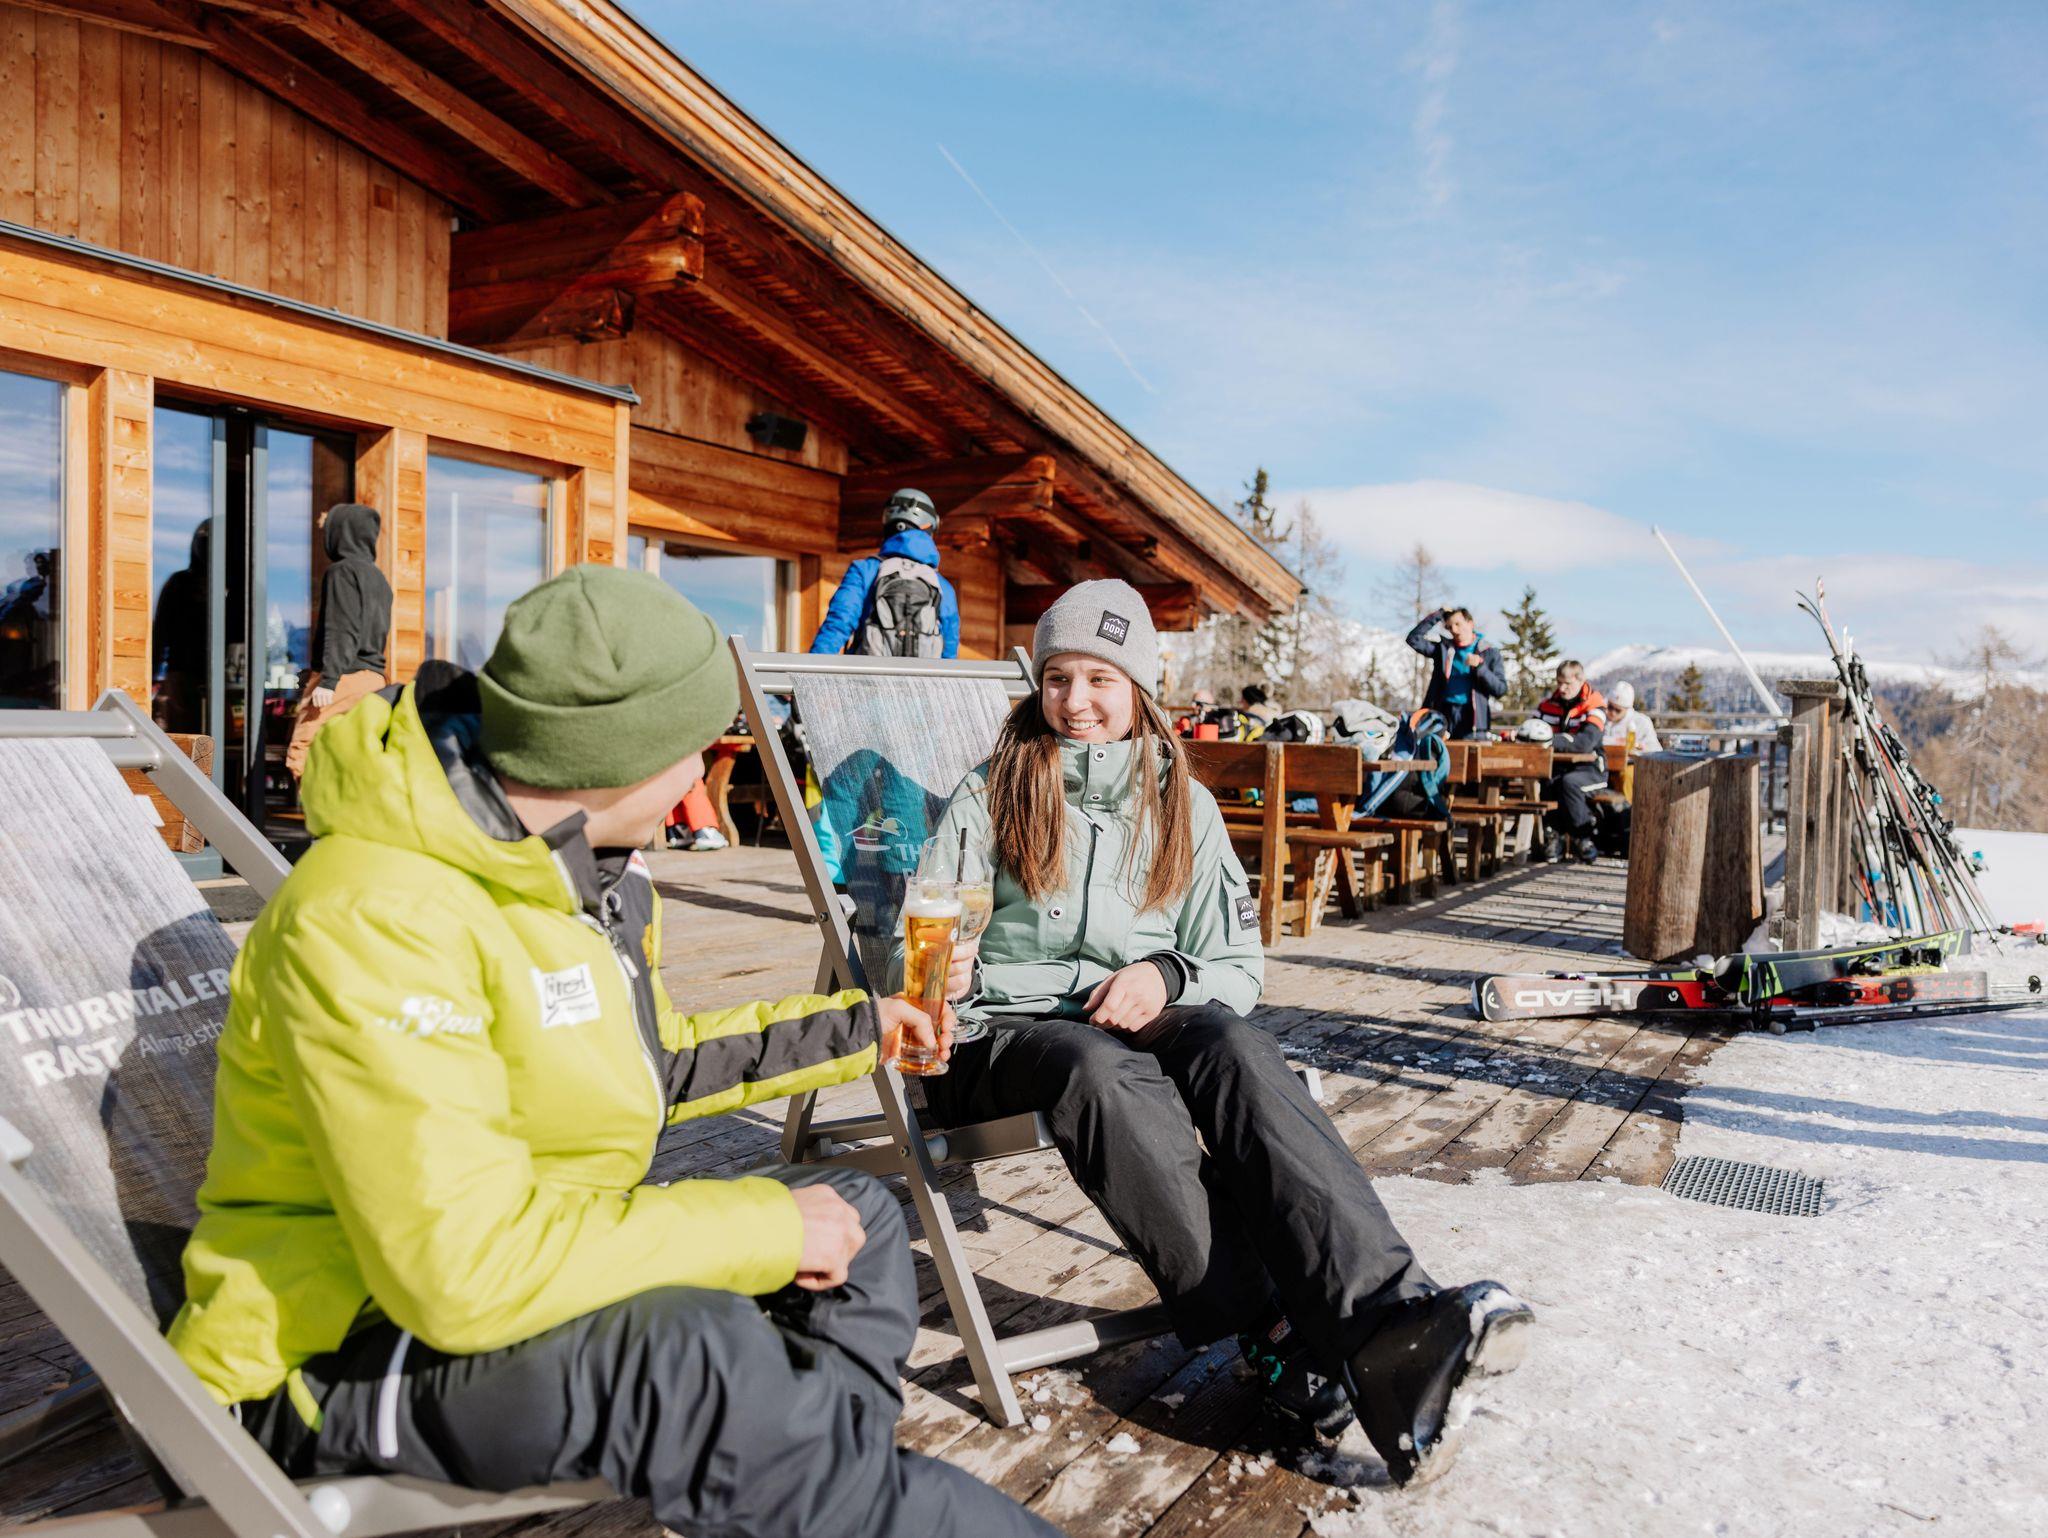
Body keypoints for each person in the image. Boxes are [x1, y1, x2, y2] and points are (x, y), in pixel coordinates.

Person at [167, 565, 1053, 1538]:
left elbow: (647, 1062)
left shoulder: (583, 875)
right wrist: (764, 1223)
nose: (705, 778)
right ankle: (829, 1487)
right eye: (696, 749)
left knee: (863, 1221)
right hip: (333, 1352)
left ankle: (815, 1485)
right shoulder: (375, 916)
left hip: (529, 1263)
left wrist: (861, 1026)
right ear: (619, 758)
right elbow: (464, 1270)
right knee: (697, 1348)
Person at [913, 578, 1534, 1488]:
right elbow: (926, 927)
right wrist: (941, 970)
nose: (1075, 701)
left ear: (1139, 689)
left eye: (1100, 679)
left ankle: (1388, 1326)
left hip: (1126, 1015)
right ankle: (1275, 1328)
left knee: (1233, 1046)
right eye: (1057, 678)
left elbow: (1236, 963)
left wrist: (1166, 974)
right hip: (997, 1036)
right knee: (1102, 1071)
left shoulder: (1181, 804)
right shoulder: (994, 789)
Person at [286, 503, 394, 780]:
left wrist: (329, 679)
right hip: (373, 680)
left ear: (341, 534)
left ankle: (312, 808)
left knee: (304, 752)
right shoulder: (380, 580)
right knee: (353, 756)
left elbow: (341, 627)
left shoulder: (342, 572)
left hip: (344, 677)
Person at [809, 488, 960, 659]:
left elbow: (838, 625)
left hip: (868, 674)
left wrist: (809, 670)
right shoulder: (942, 586)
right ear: (930, 527)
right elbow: (949, 651)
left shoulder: (864, 570)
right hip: (921, 676)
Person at [1534, 659, 1608, 864]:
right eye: (1559, 683)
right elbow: (1532, 729)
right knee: (1549, 780)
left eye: (1567, 683)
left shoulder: (1595, 705)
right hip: (1559, 767)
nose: (1562, 688)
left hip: (1592, 770)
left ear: (1580, 680)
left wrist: (1550, 740)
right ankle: (1553, 836)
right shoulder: (1548, 705)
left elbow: (1584, 743)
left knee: (1570, 784)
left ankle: (1583, 838)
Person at [1404, 606, 1506, 740]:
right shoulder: (1443, 650)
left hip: (1473, 721)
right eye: (1449, 627)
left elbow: (1500, 689)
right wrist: (1438, 615)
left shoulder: (1490, 652)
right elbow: (1413, 639)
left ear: (1470, 623)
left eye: (1458, 624)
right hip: (1441, 718)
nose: (1454, 630)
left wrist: (1481, 667)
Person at [1601, 680, 1662, 754]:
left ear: (1627, 709)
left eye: (1618, 710)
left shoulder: (1641, 722)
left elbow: (1656, 749)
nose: (1613, 713)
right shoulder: (1600, 717)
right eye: (1610, 707)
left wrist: (1640, 747)